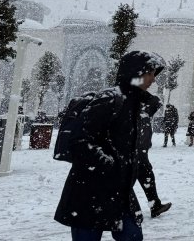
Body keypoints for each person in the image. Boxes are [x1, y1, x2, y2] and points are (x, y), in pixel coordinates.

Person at [54, 50, 165, 241]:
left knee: (132, 237)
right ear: (136, 73)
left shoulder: (133, 104)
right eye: (149, 73)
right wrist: (108, 164)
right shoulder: (110, 100)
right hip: (90, 191)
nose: (153, 79)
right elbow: (80, 140)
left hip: (119, 192)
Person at [137, 95, 172, 218]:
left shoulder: (143, 115)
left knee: (148, 179)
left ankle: (155, 206)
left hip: (140, 155)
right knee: (126, 186)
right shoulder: (138, 116)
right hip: (134, 156)